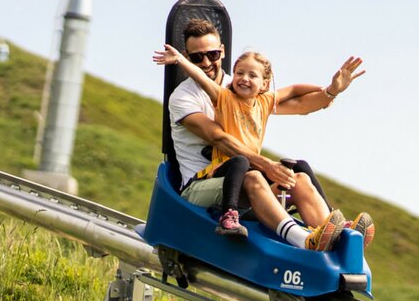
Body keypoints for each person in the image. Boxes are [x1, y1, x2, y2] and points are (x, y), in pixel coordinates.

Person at [156, 20, 374, 250]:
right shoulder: (184, 98)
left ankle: (336, 234)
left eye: (211, 54)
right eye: (197, 57)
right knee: (254, 176)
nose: (207, 62)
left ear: (222, 51)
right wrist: (267, 165)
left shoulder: (242, 84)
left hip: (242, 177)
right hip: (199, 186)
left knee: (297, 177)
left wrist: (331, 91)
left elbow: (298, 103)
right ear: (187, 57)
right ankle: (303, 241)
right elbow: (219, 138)